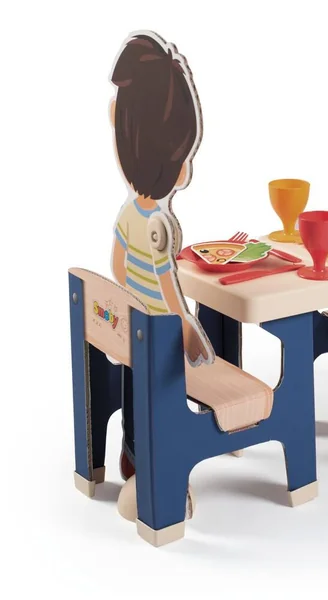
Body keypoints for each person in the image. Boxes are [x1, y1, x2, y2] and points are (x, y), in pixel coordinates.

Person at [109, 31, 215, 517]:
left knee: (137, 396)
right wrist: (188, 329)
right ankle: (162, 478)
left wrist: (133, 300)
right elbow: (169, 285)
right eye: (183, 156)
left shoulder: (128, 212)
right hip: (159, 336)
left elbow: (118, 266)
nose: (186, 167)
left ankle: (131, 457)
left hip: (134, 330)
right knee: (166, 403)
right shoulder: (158, 225)